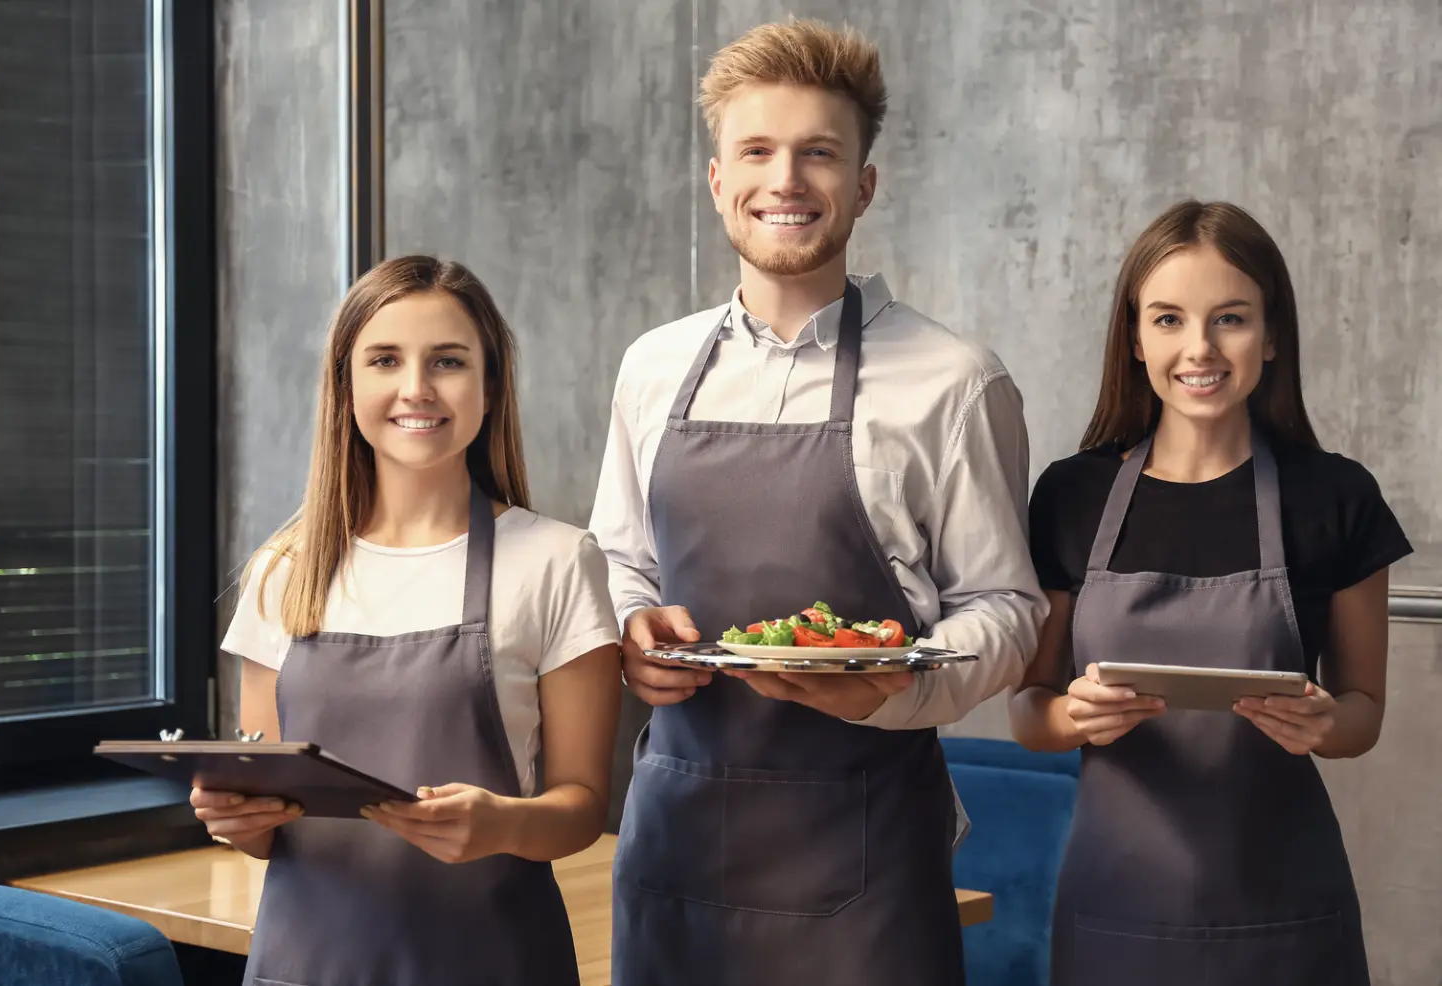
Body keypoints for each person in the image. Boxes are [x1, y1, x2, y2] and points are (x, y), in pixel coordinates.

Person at [588, 19, 1047, 986]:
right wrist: (632, 622)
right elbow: (618, 558)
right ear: (719, 181)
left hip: (866, 857)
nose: (784, 180)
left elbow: (1008, 611)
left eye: (818, 154)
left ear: (864, 185)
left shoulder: (956, 382)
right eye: (756, 151)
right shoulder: (651, 367)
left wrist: (889, 689)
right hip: (674, 839)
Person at [1010, 200, 1412, 985]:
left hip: (1286, 921)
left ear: (1270, 336)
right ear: (1134, 338)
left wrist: (1325, 722)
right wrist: (1071, 716)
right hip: (1115, 917)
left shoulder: (1336, 498)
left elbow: (1363, 713)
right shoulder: (1071, 495)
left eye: (1229, 318)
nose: (1199, 348)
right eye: (1167, 320)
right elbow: (1029, 708)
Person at [192, 257, 622, 985]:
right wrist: (240, 822)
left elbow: (582, 809)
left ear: (489, 389)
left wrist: (503, 824)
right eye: (385, 360)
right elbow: (267, 819)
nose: (416, 388)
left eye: (448, 361)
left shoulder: (557, 560)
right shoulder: (283, 571)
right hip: (307, 966)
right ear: (345, 385)